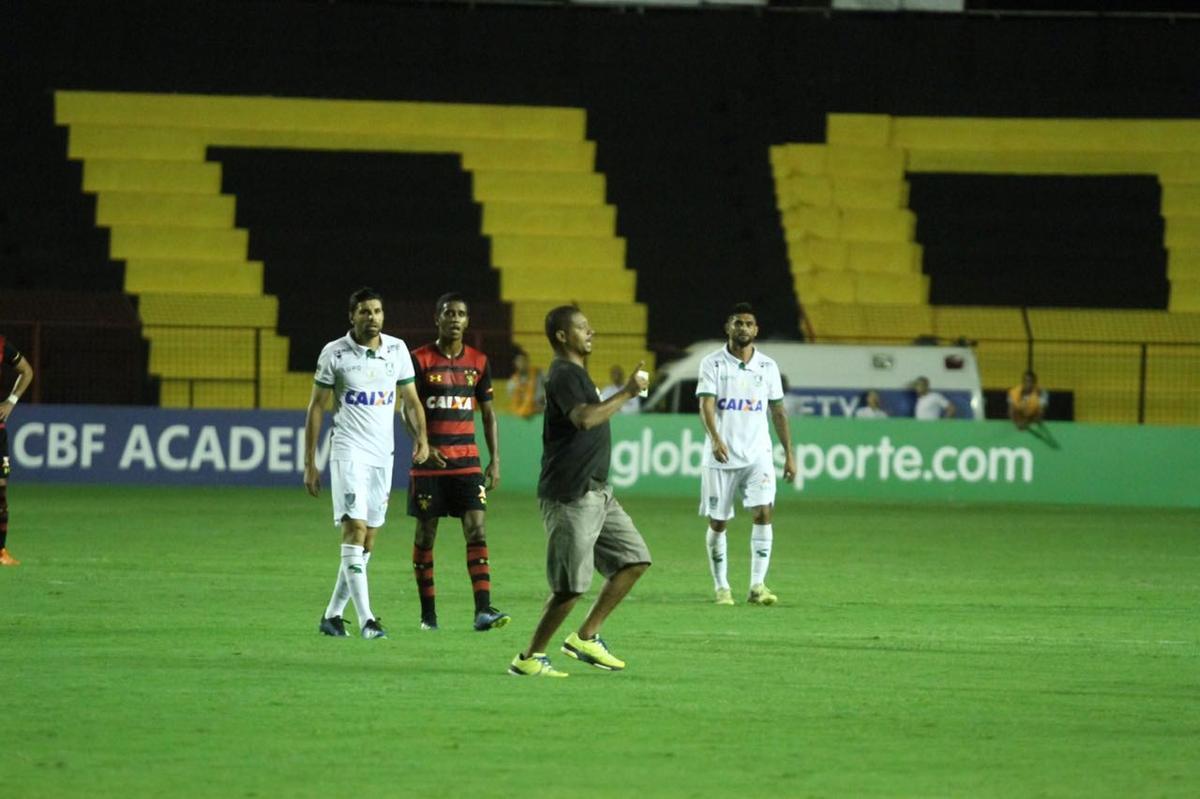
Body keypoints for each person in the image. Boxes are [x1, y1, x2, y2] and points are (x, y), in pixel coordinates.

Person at [508, 305, 652, 678]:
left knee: (634, 560)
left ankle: (585, 636)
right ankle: (529, 658)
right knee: (570, 588)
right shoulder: (564, 374)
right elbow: (585, 419)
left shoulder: (578, 374)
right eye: (583, 328)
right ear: (561, 336)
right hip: (571, 494)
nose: (591, 333)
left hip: (598, 492)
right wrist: (628, 392)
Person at [305, 287, 430, 640]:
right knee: (354, 530)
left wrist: (422, 437)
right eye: (364, 311)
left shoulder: (396, 350)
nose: (372, 317)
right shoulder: (335, 353)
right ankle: (367, 620)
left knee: (369, 539)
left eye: (376, 311)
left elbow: (410, 399)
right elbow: (316, 406)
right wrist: (310, 462)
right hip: (348, 452)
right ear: (352, 316)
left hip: (382, 455)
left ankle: (332, 615)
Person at [406, 292, 509, 632]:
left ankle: (483, 610)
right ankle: (428, 616)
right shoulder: (418, 359)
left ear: (467, 321)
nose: (454, 318)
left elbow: (489, 415)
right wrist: (422, 443)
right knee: (426, 534)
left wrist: (494, 460)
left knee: (477, 529)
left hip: (468, 462)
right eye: (448, 313)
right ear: (437, 318)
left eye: (461, 314)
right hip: (430, 463)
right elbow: (407, 408)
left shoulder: (479, 361)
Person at [696, 303, 797, 607]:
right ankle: (722, 586)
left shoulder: (767, 367)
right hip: (722, 457)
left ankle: (757, 585)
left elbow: (777, 411)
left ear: (756, 330)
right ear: (728, 327)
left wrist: (789, 453)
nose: (743, 328)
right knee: (718, 522)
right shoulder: (712, 364)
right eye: (737, 323)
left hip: (758, 455)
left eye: (749, 323)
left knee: (763, 513)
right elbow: (706, 405)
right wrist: (715, 438)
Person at [0, 334, 35, 567]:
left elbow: (27, 371)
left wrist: (11, 400)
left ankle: (0, 551)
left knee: (1, 490)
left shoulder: (2, 345)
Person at [506, 348, 544, 418]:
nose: (521, 364)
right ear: (515, 363)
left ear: (527, 361)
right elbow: (513, 399)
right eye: (519, 361)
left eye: (523, 361)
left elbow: (545, 396)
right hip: (520, 416)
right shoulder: (512, 382)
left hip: (539, 414)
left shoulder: (539, 375)